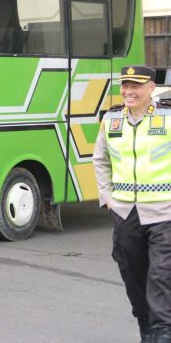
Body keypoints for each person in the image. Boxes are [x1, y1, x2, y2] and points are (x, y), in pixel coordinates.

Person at [94, 65, 171, 343]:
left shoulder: (168, 117)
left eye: (136, 86)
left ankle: (163, 332)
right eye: (125, 85)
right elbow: (100, 160)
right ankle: (147, 327)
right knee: (132, 272)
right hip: (126, 212)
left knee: (162, 272)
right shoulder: (111, 120)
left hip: (164, 211)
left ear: (151, 88)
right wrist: (107, 198)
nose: (128, 91)